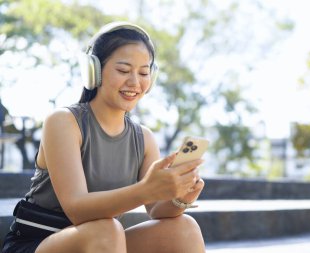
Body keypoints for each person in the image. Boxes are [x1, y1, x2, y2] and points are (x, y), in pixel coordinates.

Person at [1, 21, 206, 253]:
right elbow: (77, 210)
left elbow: (156, 210)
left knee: (184, 229)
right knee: (107, 229)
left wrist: (181, 197)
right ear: (94, 71)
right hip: (39, 242)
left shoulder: (144, 138)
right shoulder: (63, 122)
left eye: (144, 73)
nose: (135, 82)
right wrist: (147, 189)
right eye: (123, 70)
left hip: (104, 242)